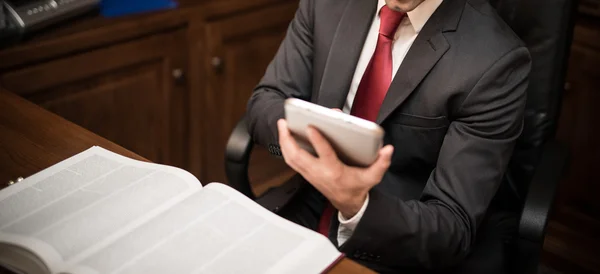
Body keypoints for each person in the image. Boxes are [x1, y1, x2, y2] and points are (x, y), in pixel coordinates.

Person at [246, 0, 531, 273]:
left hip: (400, 237)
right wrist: (308, 137)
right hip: (308, 201)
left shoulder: (496, 62)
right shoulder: (325, 4)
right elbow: (264, 103)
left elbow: (451, 227)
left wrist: (356, 204)